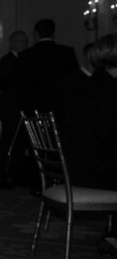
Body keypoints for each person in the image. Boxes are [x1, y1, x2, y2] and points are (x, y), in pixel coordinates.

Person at [54, 34, 117, 190]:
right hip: (96, 173)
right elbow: (108, 135)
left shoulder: (89, 84)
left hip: (77, 167)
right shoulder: (108, 89)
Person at [18, 18, 78, 115]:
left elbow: (21, 84)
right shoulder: (67, 52)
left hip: (34, 106)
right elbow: (74, 79)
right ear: (53, 34)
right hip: (61, 105)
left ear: (36, 34)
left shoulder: (25, 55)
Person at [0, 30, 29, 189]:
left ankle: (18, 176)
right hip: (11, 110)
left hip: (22, 109)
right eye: (21, 41)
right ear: (12, 43)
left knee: (20, 144)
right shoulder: (6, 61)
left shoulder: (26, 60)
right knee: (7, 142)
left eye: (26, 41)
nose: (24, 44)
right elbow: (7, 82)